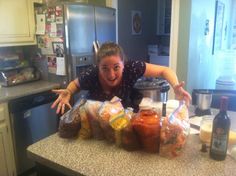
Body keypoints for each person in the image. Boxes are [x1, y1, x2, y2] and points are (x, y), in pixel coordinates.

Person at [51, 42, 191, 114]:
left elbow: (164, 70)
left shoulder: (131, 67)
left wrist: (176, 86)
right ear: (98, 67)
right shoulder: (92, 74)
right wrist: (68, 92)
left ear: (124, 64)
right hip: (98, 129)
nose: (111, 75)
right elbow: (75, 84)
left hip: (124, 124)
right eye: (105, 68)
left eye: (116, 67)